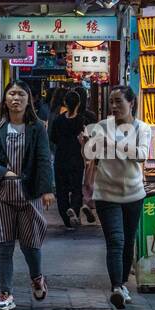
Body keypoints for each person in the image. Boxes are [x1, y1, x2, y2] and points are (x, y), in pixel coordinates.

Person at [0, 81, 55, 310]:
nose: (16, 98)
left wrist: (47, 189)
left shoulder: (37, 128)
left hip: (29, 194)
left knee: (30, 244)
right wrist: (3, 172)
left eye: (21, 94)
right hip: (1, 194)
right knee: (3, 246)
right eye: (11, 93)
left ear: (28, 99)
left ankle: (37, 277)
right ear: (5, 99)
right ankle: (6, 294)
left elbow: (44, 159)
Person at [82, 86, 151, 310]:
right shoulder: (102, 127)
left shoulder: (143, 128)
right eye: (111, 102)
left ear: (131, 103)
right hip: (106, 194)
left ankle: (122, 284)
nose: (114, 106)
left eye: (119, 101)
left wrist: (114, 144)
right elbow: (91, 155)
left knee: (128, 242)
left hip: (134, 194)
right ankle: (117, 287)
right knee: (116, 241)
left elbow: (141, 155)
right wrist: (86, 144)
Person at [48, 90, 93, 228]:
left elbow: (53, 138)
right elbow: (87, 139)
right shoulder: (82, 120)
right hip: (76, 159)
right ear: (78, 104)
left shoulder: (58, 120)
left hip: (61, 158)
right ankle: (74, 208)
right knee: (76, 188)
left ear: (65, 103)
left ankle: (67, 220)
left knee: (61, 191)